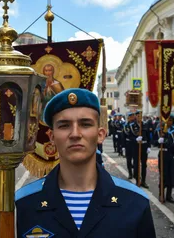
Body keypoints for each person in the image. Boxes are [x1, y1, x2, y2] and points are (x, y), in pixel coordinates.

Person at [15, 88, 156, 237]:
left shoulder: (135, 204)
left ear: (100, 135)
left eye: (85, 124)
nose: (75, 134)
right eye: (64, 125)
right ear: (51, 137)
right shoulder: (22, 205)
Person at [158, 117, 174, 203]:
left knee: (171, 175)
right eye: (168, 120)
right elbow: (153, 141)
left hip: (171, 154)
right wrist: (158, 141)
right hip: (163, 154)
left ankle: (169, 195)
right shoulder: (160, 129)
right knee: (163, 175)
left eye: (171, 120)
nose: (169, 122)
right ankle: (161, 193)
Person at [134, 111, 151, 188]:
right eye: (138, 116)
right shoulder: (133, 125)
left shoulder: (145, 125)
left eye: (140, 116)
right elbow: (130, 136)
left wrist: (149, 146)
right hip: (137, 147)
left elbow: (148, 137)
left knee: (144, 165)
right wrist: (135, 139)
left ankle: (143, 181)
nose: (139, 117)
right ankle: (138, 180)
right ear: (136, 116)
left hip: (144, 146)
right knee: (136, 164)